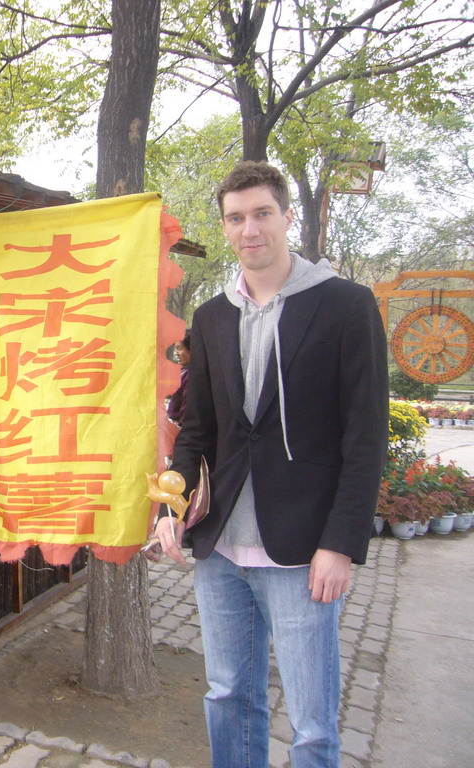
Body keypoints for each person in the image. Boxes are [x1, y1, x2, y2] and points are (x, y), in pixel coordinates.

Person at [154, 161, 388, 768]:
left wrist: (341, 543)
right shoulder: (211, 317)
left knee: (312, 723)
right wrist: (171, 507)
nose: (249, 229)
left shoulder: (346, 305)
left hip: (303, 550)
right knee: (229, 695)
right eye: (236, 218)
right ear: (226, 228)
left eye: (262, 214)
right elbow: (198, 429)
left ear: (286, 217)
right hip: (223, 548)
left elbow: (365, 437)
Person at [166, 331, 192, 426]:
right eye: (175, 349)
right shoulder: (184, 372)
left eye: (179, 348)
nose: (176, 353)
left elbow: (187, 411)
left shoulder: (191, 376)